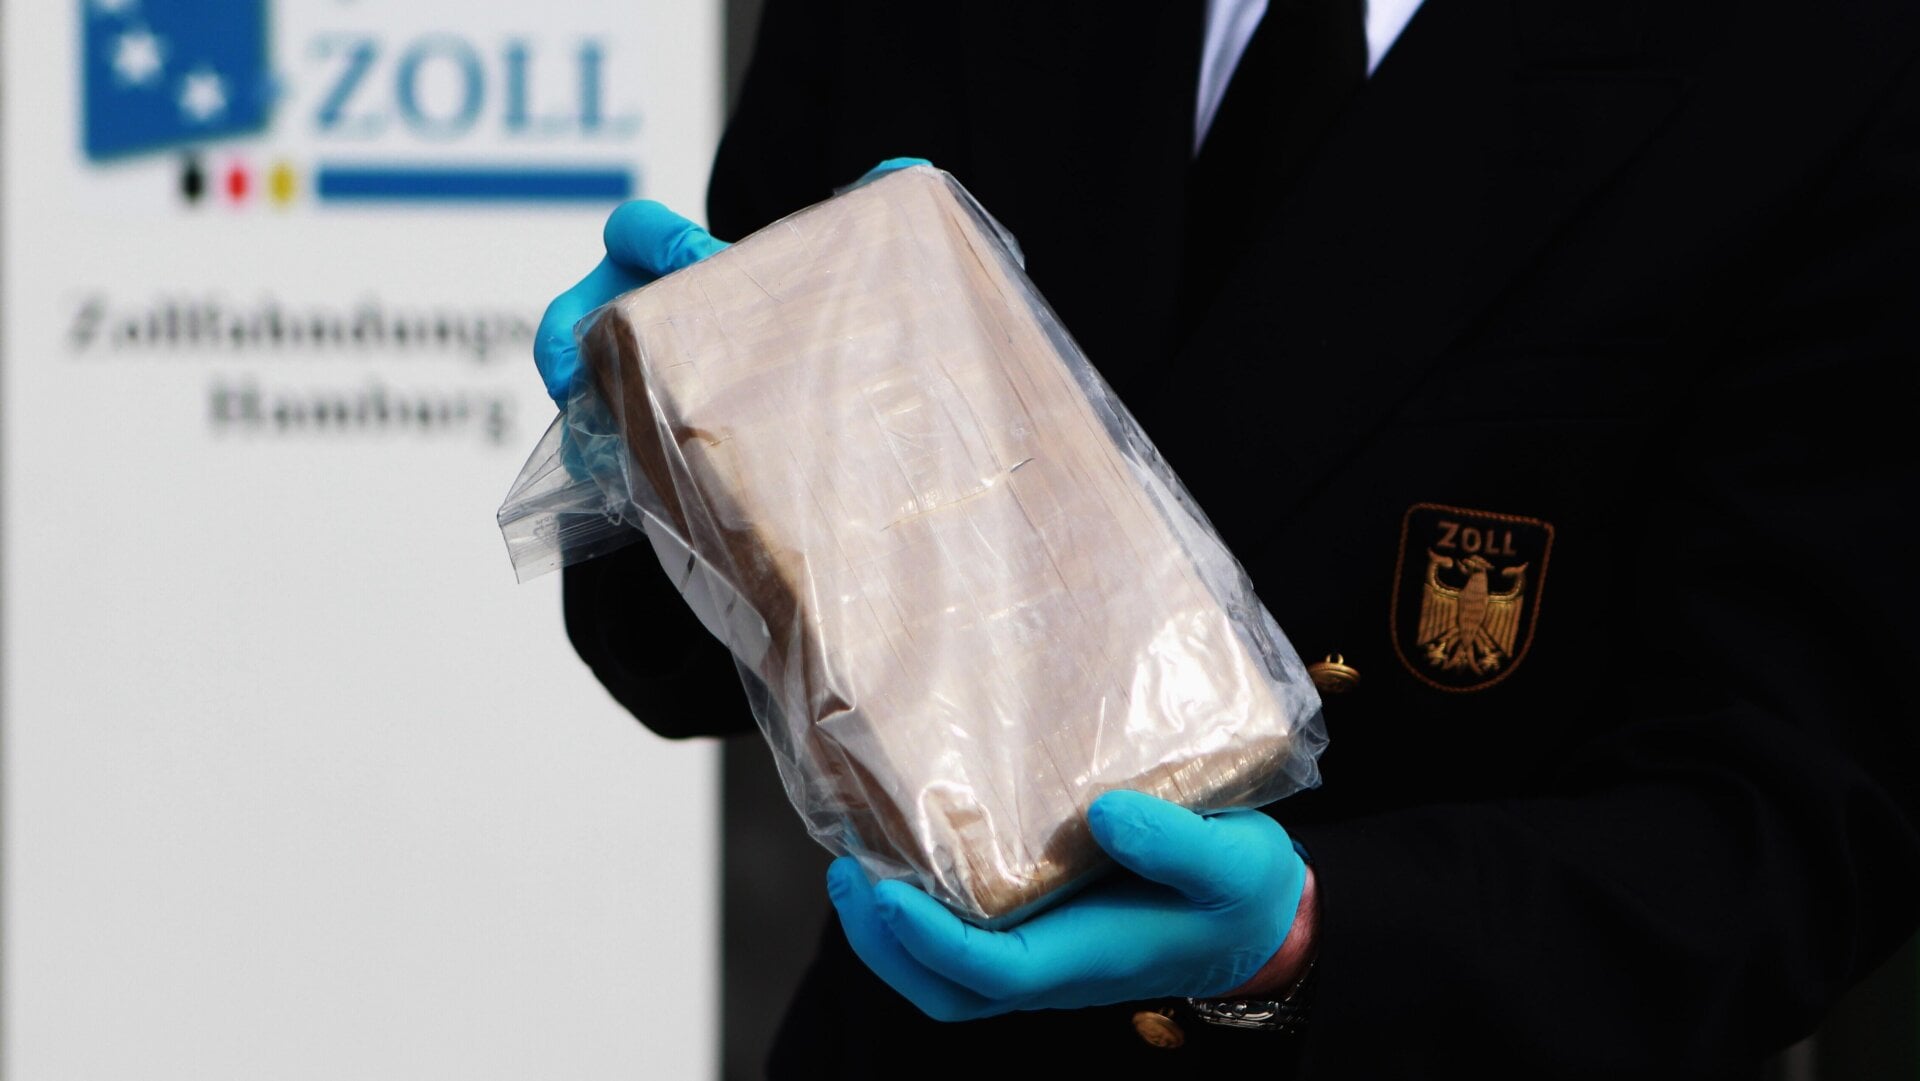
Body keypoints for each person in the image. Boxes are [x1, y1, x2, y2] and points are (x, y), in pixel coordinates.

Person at [536, 0, 1920, 1076]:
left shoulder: (1833, 53)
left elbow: (1797, 817)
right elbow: (685, 663)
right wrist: (668, 450)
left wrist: (1319, 939)